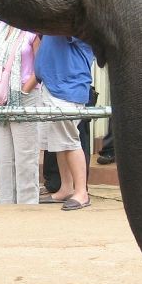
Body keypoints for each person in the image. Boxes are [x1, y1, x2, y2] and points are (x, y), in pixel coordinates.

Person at [35, 35, 94, 211]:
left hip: (67, 90)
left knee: (70, 141)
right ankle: (66, 188)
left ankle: (81, 192)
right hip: (53, 88)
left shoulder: (74, 23)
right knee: (59, 143)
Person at [0, 21, 41, 204]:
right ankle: (5, 201)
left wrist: (24, 90)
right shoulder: (0, 28)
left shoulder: (33, 30)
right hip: (0, 98)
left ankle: (27, 203)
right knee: (3, 157)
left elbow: (40, 68)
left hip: (25, 97)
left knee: (26, 156)